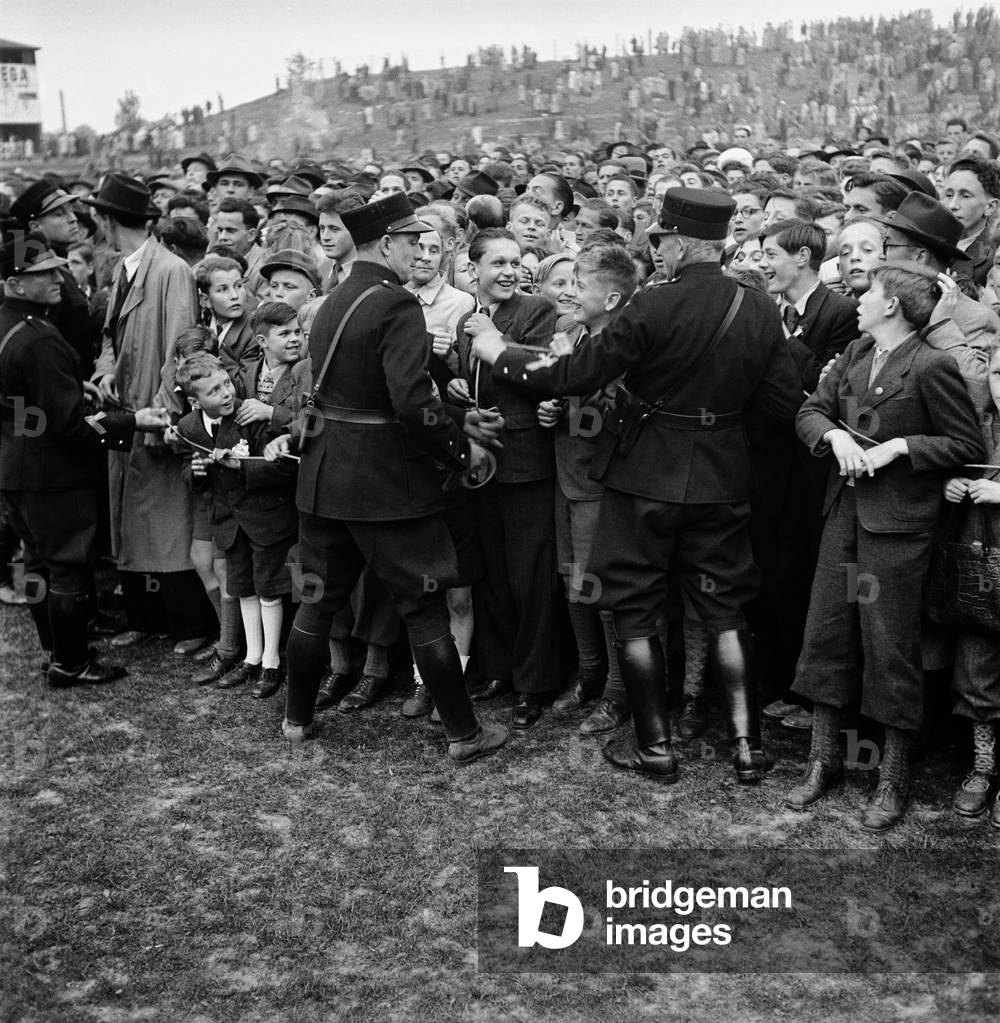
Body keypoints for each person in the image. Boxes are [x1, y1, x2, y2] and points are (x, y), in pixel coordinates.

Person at [471, 188, 803, 782]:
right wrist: (721, 433)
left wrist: (499, 353)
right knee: (725, 611)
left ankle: (655, 747)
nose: (660, 249)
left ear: (674, 241)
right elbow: (779, 402)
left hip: (645, 478)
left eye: (661, 240)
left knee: (635, 608)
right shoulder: (756, 307)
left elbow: (574, 375)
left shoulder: (653, 304)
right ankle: (748, 747)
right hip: (722, 479)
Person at [264, 193, 506, 762]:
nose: (419, 248)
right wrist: (457, 448)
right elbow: (409, 403)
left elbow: (361, 395)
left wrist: (449, 417)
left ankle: (297, 721)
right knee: (423, 605)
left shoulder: (332, 300)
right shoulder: (396, 305)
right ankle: (464, 734)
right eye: (411, 240)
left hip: (326, 476)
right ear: (386, 243)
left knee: (317, 602)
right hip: (385, 485)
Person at [787, 263, 986, 832]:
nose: (860, 299)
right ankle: (823, 763)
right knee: (826, 633)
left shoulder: (931, 364)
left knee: (890, 647)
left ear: (893, 305)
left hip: (899, 529)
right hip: (844, 517)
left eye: (870, 292)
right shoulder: (853, 353)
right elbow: (810, 410)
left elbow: (964, 443)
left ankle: (892, 779)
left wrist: (898, 445)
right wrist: (835, 435)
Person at [0, 232, 171, 686]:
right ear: (16, 283)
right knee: (68, 566)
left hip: (14, 466)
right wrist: (133, 423)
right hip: (52, 472)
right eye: (44, 273)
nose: (59, 277)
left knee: (35, 563)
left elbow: (22, 399)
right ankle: (72, 662)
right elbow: (72, 425)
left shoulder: (8, 323)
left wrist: (71, 389)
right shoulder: (37, 338)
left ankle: (55, 648)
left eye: (58, 268)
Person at [88, 174, 209, 653]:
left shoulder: (170, 271)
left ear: (107, 219)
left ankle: (189, 625)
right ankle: (146, 617)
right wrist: (104, 369)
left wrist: (165, 412)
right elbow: (108, 338)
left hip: (153, 416)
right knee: (135, 520)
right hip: (127, 411)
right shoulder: (126, 268)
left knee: (165, 522)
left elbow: (182, 347)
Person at [454, 227, 564, 727]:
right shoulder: (467, 319)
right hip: (481, 462)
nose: (508, 271)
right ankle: (497, 666)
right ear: (472, 267)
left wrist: (492, 345)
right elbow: (470, 376)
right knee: (492, 572)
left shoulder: (536, 310)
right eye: (497, 262)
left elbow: (539, 372)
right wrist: (458, 388)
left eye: (515, 262)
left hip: (525, 460)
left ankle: (534, 681)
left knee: (530, 575)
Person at [545, 243, 636, 737]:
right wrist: (554, 408)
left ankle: (618, 693)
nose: (570, 294)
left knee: (604, 590)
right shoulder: (568, 333)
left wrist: (566, 385)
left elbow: (616, 416)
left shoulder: (622, 346)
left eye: (581, 286)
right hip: (566, 475)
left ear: (615, 298)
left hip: (601, 484)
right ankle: (588, 674)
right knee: (571, 580)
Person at [172, 353, 297, 699]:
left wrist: (242, 467)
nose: (227, 393)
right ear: (195, 401)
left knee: (270, 588)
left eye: (227, 383)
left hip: (266, 518)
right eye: (215, 390)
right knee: (243, 587)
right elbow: (190, 470)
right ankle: (251, 657)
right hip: (229, 522)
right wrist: (195, 474)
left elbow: (284, 467)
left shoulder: (251, 415)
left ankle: (272, 661)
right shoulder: (189, 427)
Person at [944, 340, 1000, 826]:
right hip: (977, 558)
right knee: (976, 661)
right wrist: (953, 485)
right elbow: (952, 454)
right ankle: (982, 765)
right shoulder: (977, 411)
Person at [10, 180, 94, 377]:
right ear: (34, 226)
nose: (72, 218)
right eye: (59, 214)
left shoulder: (56, 267)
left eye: (70, 210)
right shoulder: (39, 280)